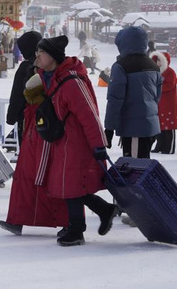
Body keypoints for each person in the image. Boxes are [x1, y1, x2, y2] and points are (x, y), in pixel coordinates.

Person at [33, 35, 119, 247]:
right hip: (64, 139)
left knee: (69, 183)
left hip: (78, 141)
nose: (37, 57)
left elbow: (89, 114)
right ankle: (102, 210)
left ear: (52, 57)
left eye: (41, 53)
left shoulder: (71, 81)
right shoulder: (52, 76)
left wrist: (98, 145)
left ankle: (77, 228)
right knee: (64, 183)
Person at [0, 70, 69, 237]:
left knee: (43, 185)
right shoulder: (36, 107)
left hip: (37, 152)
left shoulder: (41, 109)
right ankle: (16, 220)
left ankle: (70, 222)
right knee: (27, 185)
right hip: (31, 151)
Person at [104, 26, 162, 158]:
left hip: (133, 128)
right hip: (150, 125)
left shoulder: (121, 66)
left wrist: (109, 128)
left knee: (135, 169)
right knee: (142, 165)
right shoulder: (153, 66)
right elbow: (157, 96)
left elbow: (115, 99)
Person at [5, 31, 42, 149]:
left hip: (28, 118)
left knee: (29, 154)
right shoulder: (48, 64)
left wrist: (11, 117)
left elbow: (17, 95)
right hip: (48, 120)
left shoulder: (25, 68)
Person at [150, 51, 177, 154]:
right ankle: (160, 146)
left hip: (168, 103)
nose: (157, 62)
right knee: (159, 126)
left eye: (159, 60)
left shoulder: (170, 72)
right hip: (158, 103)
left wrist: (157, 87)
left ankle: (169, 147)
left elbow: (170, 85)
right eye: (156, 60)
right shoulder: (154, 72)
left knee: (168, 127)